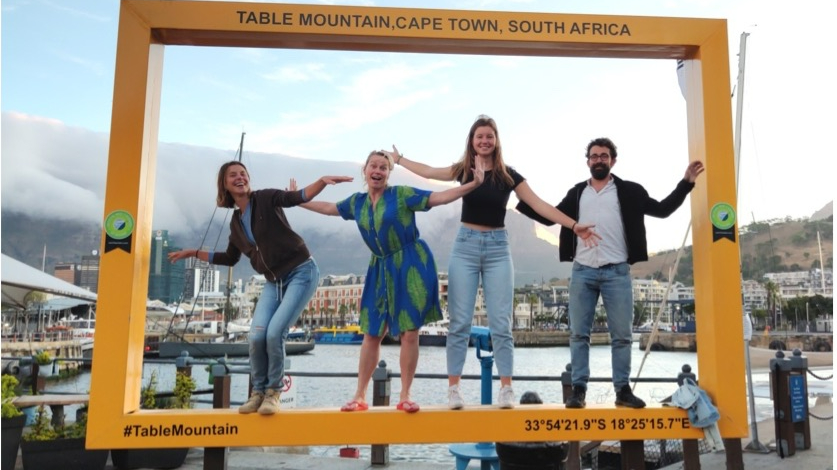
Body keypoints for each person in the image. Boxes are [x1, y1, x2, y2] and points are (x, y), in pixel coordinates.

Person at [389, 115, 599, 410]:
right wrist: (400, 160)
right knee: (459, 323)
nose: (485, 141)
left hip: (499, 249)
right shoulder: (463, 170)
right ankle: (454, 390)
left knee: (501, 324)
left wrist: (573, 225)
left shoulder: (507, 175)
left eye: (490, 136)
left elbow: (540, 205)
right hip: (465, 247)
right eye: (479, 136)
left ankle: (506, 389)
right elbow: (429, 172)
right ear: (472, 141)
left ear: (496, 140)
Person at [516, 137, 705, 409]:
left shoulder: (629, 191)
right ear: (588, 162)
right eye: (594, 156)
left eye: (604, 156)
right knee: (579, 335)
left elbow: (662, 210)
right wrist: (519, 195)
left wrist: (686, 182)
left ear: (613, 161)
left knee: (622, 336)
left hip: (617, 272)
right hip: (582, 272)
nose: (599, 160)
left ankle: (622, 391)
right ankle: (578, 391)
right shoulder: (577, 193)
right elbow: (549, 216)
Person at [297, 150, 486, 413]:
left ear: (388, 173)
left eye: (383, 167)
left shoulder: (401, 195)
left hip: (411, 264)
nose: (377, 170)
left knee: (409, 332)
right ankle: (359, 396)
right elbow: (329, 209)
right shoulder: (357, 203)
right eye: (373, 166)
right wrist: (299, 201)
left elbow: (438, 198)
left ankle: (406, 395)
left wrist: (473, 185)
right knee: (372, 332)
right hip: (379, 266)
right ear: (365, 170)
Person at [168, 161, 352, 415]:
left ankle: (273, 393)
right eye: (233, 175)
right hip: (273, 281)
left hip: (301, 272)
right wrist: (193, 252)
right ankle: (258, 392)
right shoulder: (235, 222)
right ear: (224, 183)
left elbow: (296, 197)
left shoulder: (265, 198)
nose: (240, 177)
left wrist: (321, 181)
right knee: (256, 336)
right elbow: (230, 258)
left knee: (275, 334)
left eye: (243, 173)